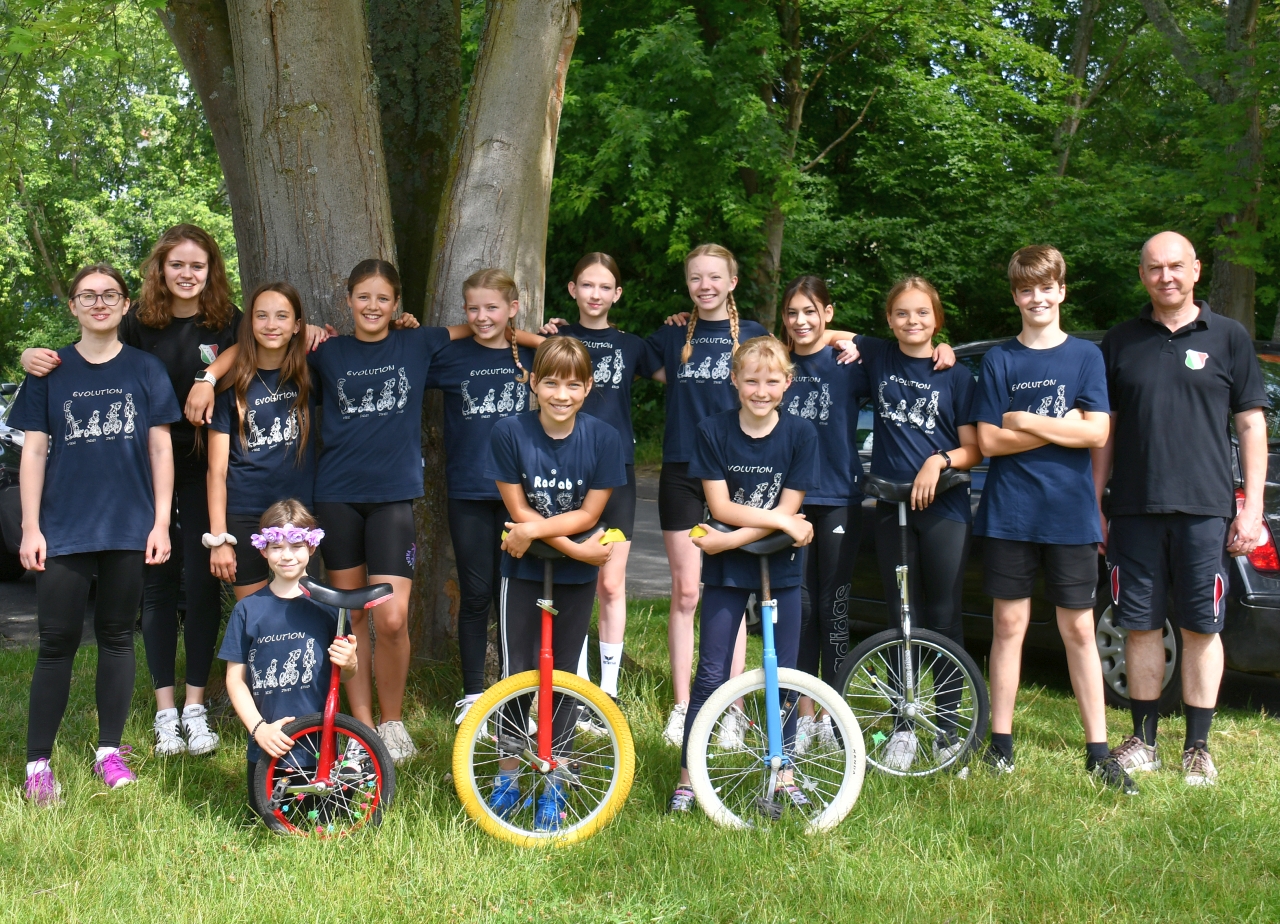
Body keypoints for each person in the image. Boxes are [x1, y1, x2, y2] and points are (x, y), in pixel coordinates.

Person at [21, 225, 322, 759]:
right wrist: (32, 356)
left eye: (197, 265)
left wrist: (214, 374)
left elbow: (259, 340)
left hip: (209, 463)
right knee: (157, 584)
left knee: (203, 584)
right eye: (176, 264)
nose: (186, 274)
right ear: (160, 269)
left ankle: (196, 705)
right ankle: (165, 709)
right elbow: (96, 350)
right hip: (148, 466)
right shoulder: (137, 320)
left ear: (211, 271)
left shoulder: (227, 319)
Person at [1097, 231, 1270, 786]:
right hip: (1133, 509)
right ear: (1142, 275)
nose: (1165, 276)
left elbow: (1251, 424)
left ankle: (1198, 747)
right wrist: (1095, 502)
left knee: (1200, 628)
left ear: (1196, 270)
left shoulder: (1229, 337)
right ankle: (1143, 741)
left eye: (1176, 266)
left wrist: (1252, 508)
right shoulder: (1120, 341)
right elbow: (1106, 431)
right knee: (1140, 626)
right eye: (1154, 268)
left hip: (1205, 510)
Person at [14, 263, 180, 804]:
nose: (100, 303)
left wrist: (160, 521)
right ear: (73, 306)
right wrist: (31, 527)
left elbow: (160, 448)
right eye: (88, 295)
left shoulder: (146, 369)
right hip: (62, 526)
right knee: (56, 643)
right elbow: (34, 451)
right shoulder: (49, 371)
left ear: (126, 304)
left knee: (116, 636)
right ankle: (38, 763)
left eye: (110, 294)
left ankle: (109, 751)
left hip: (129, 526)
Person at [972, 245, 1135, 792]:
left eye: (1046, 288)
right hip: (1009, 513)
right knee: (1008, 626)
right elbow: (989, 442)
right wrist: (1057, 425)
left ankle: (1098, 752)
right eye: (1026, 289)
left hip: (1069, 513)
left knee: (1079, 629)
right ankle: (1000, 744)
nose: (1037, 298)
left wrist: (1023, 419)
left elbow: (1097, 432)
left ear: (1061, 291)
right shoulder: (1000, 360)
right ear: (1015, 296)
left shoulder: (1085, 356)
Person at [669, 336, 818, 813]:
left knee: (786, 674)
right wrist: (777, 524)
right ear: (734, 380)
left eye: (771, 381)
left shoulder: (801, 434)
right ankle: (688, 776)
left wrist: (726, 538)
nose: (761, 390)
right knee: (711, 673)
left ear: (787, 383)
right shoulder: (713, 430)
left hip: (782, 567)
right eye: (751, 380)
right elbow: (721, 507)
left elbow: (788, 509)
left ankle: (784, 773)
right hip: (726, 571)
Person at [483, 337, 627, 832]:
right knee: (516, 673)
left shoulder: (604, 438)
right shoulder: (509, 432)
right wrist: (576, 547)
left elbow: (589, 513)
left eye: (572, 384)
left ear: (588, 387)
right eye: (550, 383)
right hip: (522, 570)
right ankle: (507, 776)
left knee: (563, 676)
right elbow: (518, 510)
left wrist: (553, 543)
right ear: (533, 383)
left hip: (574, 575)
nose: (561, 395)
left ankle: (555, 781)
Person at [844, 277, 980, 769]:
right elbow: (826, 332)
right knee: (901, 614)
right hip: (890, 504)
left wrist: (938, 461)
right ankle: (903, 724)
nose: (912, 321)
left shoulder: (956, 375)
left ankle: (947, 725)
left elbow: (974, 448)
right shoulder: (880, 356)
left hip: (944, 506)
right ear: (889, 319)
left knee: (943, 615)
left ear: (937, 319)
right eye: (901, 313)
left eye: (922, 313)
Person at [642, 244, 769, 747]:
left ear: (732, 282)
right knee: (687, 592)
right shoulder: (673, 335)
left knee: (729, 591)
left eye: (715, 277)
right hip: (681, 472)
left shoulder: (754, 335)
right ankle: (683, 707)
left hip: (734, 474)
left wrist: (846, 338)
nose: (705, 286)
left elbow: (795, 359)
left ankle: (730, 708)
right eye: (696, 278)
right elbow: (613, 353)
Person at [540, 253, 662, 701]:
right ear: (572, 290)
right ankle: (577, 684)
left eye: (604, 287)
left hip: (617, 472)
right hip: (564, 470)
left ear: (617, 294)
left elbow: (684, 370)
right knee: (574, 579)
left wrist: (685, 323)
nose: (595, 294)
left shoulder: (632, 345)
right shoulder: (554, 339)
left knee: (611, 582)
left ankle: (607, 691)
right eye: (587, 285)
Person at [424, 269, 541, 725]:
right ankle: (473, 695)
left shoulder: (531, 355)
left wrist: (524, 336)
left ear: (513, 308)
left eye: (492, 307)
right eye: (472, 308)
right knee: (476, 594)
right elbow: (407, 357)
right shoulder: (452, 356)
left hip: (522, 497)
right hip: (469, 491)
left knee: (514, 596)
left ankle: (516, 697)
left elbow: (576, 359)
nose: (481, 316)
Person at [218, 499, 357, 818]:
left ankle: (341, 777)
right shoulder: (247, 610)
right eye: (277, 547)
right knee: (267, 821)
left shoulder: (331, 607)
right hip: (267, 749)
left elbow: (346, 674)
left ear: (312, 546)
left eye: (296, 545)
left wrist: (350, 663)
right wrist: (259, 729)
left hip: (320, 752)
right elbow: (234, 680)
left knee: (327, 822)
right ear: (263, 550)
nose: (287, 555)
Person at [206, 282, 317, 601]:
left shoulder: (310, 376)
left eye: (282, 316)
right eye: (261, 315)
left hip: (298, 512)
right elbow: (216, 471)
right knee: (252, 615)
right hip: (244, 512)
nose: (271, 324)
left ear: (297, 325)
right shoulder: (230, 386)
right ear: (250, 322)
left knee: (299, 613)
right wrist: (219, 538)